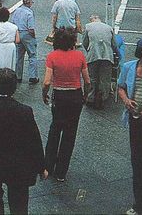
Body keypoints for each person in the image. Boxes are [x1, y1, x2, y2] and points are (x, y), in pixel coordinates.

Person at [0, 69, 47, 215]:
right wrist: (41, 167)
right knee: (18, 200)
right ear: (14, 89)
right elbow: (34, 141)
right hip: (17, 165)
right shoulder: (25, 111)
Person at [42, 27, 91, 181]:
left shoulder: (52, 56)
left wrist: (44, 94)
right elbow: (87, 81)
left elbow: (47, 82)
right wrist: (84, 95)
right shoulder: (80, 56)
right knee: (70, 134)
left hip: (59, 95)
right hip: (75, 95)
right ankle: (61, 172)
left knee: (55, 129)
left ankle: (48, 166)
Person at [117, 37, 142, 215]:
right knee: (137, 163)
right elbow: (121, 87)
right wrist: (126, 101)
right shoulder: (129, 67)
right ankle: (141, 204)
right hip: (136, 120)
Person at [82, 15, 118, 109]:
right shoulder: (109, 28)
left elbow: (84, 42)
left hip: (93, 55)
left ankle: (90, 98)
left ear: (92, 20)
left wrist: (89, 50)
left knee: (92, 77)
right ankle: (102, 98)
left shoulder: (88, 27)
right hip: (107, 56)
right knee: (105, 79)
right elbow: (114, 44)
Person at [11, 0, 39, 84]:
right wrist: (33, 36)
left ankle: (18, 76)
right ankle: (32, 76)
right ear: (29, 3)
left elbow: (13, 22)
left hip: (18, 33)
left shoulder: (17, 11)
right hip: (27, 34)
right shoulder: (29, 13)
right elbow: (31, 28)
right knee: (32, 55)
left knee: (19, 56)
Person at [0, 8, 20, 78]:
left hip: (0, 46)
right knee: (9, 64)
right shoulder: (14, 27)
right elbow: (17, 40)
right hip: (11, 46)